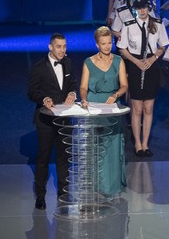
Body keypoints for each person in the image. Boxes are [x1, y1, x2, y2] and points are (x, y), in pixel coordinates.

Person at [27, 32, 77, 210]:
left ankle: (63, 193)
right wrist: (44, 99)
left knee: (64, 157)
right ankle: (40, 196)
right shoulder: (39, 67)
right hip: (45, 120)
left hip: (64, 118)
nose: (62, 50)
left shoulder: (68, 63)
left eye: (64, 46)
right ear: (50, 47)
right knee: (43, 158)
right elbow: (32, 92)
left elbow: (72, 84)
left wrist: (72, 93)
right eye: (58, 47)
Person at [116, 0, 169, 158]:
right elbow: (122, 48)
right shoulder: (129, 24)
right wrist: (136, 62)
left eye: (145, 7)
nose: (142, 11)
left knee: (148, 108)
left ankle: (145, 144)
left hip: (151, 66)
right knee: (137, 108)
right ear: (135, 9)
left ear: (149, 8)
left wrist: (153, 59)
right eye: (139, 8)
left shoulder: (157, 24)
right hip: (135, 66)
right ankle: (137, 144)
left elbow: (163, 45)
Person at [78, 26, 128, 196]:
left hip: (112, 106)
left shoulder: (119, 61)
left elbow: (124, 85)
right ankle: (94, 186)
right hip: (94, 107)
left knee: (112, 145)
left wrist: (116, 94)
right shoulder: (88, 62)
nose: (107, 46)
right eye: (103, 43)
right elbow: (83, 87)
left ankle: (111, 186)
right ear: (97, 44)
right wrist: (84, 99)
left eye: (109, 43)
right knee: (95, 145)